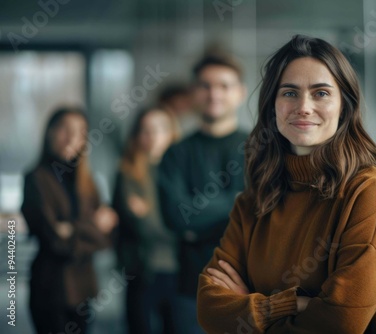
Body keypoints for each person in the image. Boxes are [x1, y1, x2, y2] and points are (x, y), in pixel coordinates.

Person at [197, 35, 376, 333]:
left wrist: (253, 311)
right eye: (290, 93)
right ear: (272, 106)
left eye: (321, 93)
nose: (303, 106)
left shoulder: (367, 188)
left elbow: (342, 321)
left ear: (344, 106)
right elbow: (209, 310)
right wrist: (293, 304)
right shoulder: (253, 200)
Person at [157, 51, 248, 333]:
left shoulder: (261, 150)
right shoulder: (176, 153)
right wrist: (238, 201)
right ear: (193, 93)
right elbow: (176, 216)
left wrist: (198, 221)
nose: (214, 93)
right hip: (193, 286)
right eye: (205, 85)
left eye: (224, 85)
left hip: (251, 287)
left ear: (240, 93)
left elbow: (267, 212)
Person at [21, 106, 118, 334]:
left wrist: (71, 229)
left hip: (82, 287)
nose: (72, 138)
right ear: (50, 133)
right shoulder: (36, 179)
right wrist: (93, 227)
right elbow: (54, 239)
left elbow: (107, 238)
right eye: (65, 129)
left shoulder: (86, 180)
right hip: (50, 287)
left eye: (80, 131)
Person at [112, 107, 181, 333]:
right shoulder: (128, 174)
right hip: (142, 270)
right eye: (146, 130)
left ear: (172, 133)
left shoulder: (180, 170)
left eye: (160, 129)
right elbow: (143, 227)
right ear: (136, 135)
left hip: (181, 271)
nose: (152, 137)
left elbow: (187, 225)